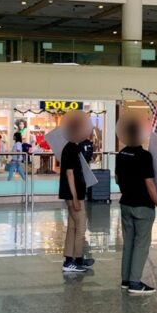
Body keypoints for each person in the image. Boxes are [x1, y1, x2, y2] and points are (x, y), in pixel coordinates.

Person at [115, 119, 157, 295]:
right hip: (143, 206)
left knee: (129, 242)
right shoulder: (145, 156)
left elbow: (117, 179)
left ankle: (125, 279)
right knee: (141, 244)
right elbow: (150, 184)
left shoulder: (121, 154)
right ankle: (135, 283)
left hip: (126, 204)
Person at [58, 111, 93, 274]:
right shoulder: (71, 149)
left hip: (71, 193)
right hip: (74, 194)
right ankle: (77, 259)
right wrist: (75, 198)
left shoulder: (71, 148)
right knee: (80, 227)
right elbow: (70, 173)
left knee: (72, 227)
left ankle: (69, 259)